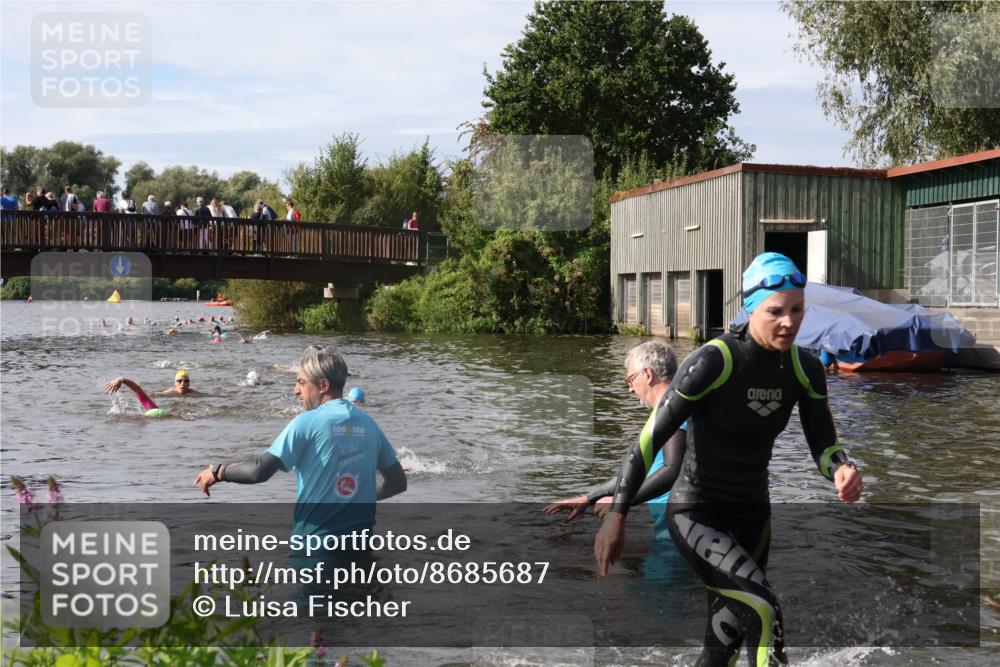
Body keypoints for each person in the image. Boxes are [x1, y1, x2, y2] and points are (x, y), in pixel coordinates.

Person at [594, 252, 863, 667]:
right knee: (763, 609)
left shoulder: (805, 369)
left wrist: (841, 468)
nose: (788, 322)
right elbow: (646, 444)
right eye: (775, 311)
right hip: (698, 514)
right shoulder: (712, 361)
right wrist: (617, 516)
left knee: (724, 644)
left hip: (753, 519)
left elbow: (823, 444)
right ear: (752, 308)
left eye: (797, 310)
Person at [193, 345, 407, 543]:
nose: (296, 390)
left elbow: (259, 471)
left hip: (317, 547)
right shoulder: (369, 424)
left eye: (301, 382)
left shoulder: (307, 422)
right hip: (361, 542)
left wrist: (219, 472)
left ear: (323, 385)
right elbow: (398, 482)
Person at [544, 341, 687, 539]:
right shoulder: (667, 411)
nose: (630, 389)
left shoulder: (675, 410)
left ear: (647, 374)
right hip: (672, 528)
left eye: (630, 379)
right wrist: (588, 498)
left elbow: (673, 469)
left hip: (680, 531)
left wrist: (619, 504)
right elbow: (636, 473)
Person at [105, 369, 203, 398]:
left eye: (186, 381)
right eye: (179, 381)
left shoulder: (194, 393)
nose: (183, 384)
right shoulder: (169, 393)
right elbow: (142, 393)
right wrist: (121, 379)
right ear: (175, 383)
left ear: (189, 384)